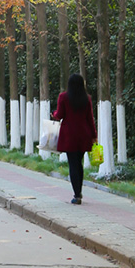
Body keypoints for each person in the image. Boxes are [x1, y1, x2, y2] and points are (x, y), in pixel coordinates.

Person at [53, 72, 97, 205]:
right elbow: (90, 118)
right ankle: (79, 191)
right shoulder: (86, 98)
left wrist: (53, 114)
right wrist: (94, 135)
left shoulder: (64, 97)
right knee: (79, 163)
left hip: (69, 136)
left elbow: (59, 115)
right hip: (84, 134)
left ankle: (77, 194)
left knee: (73, 164)